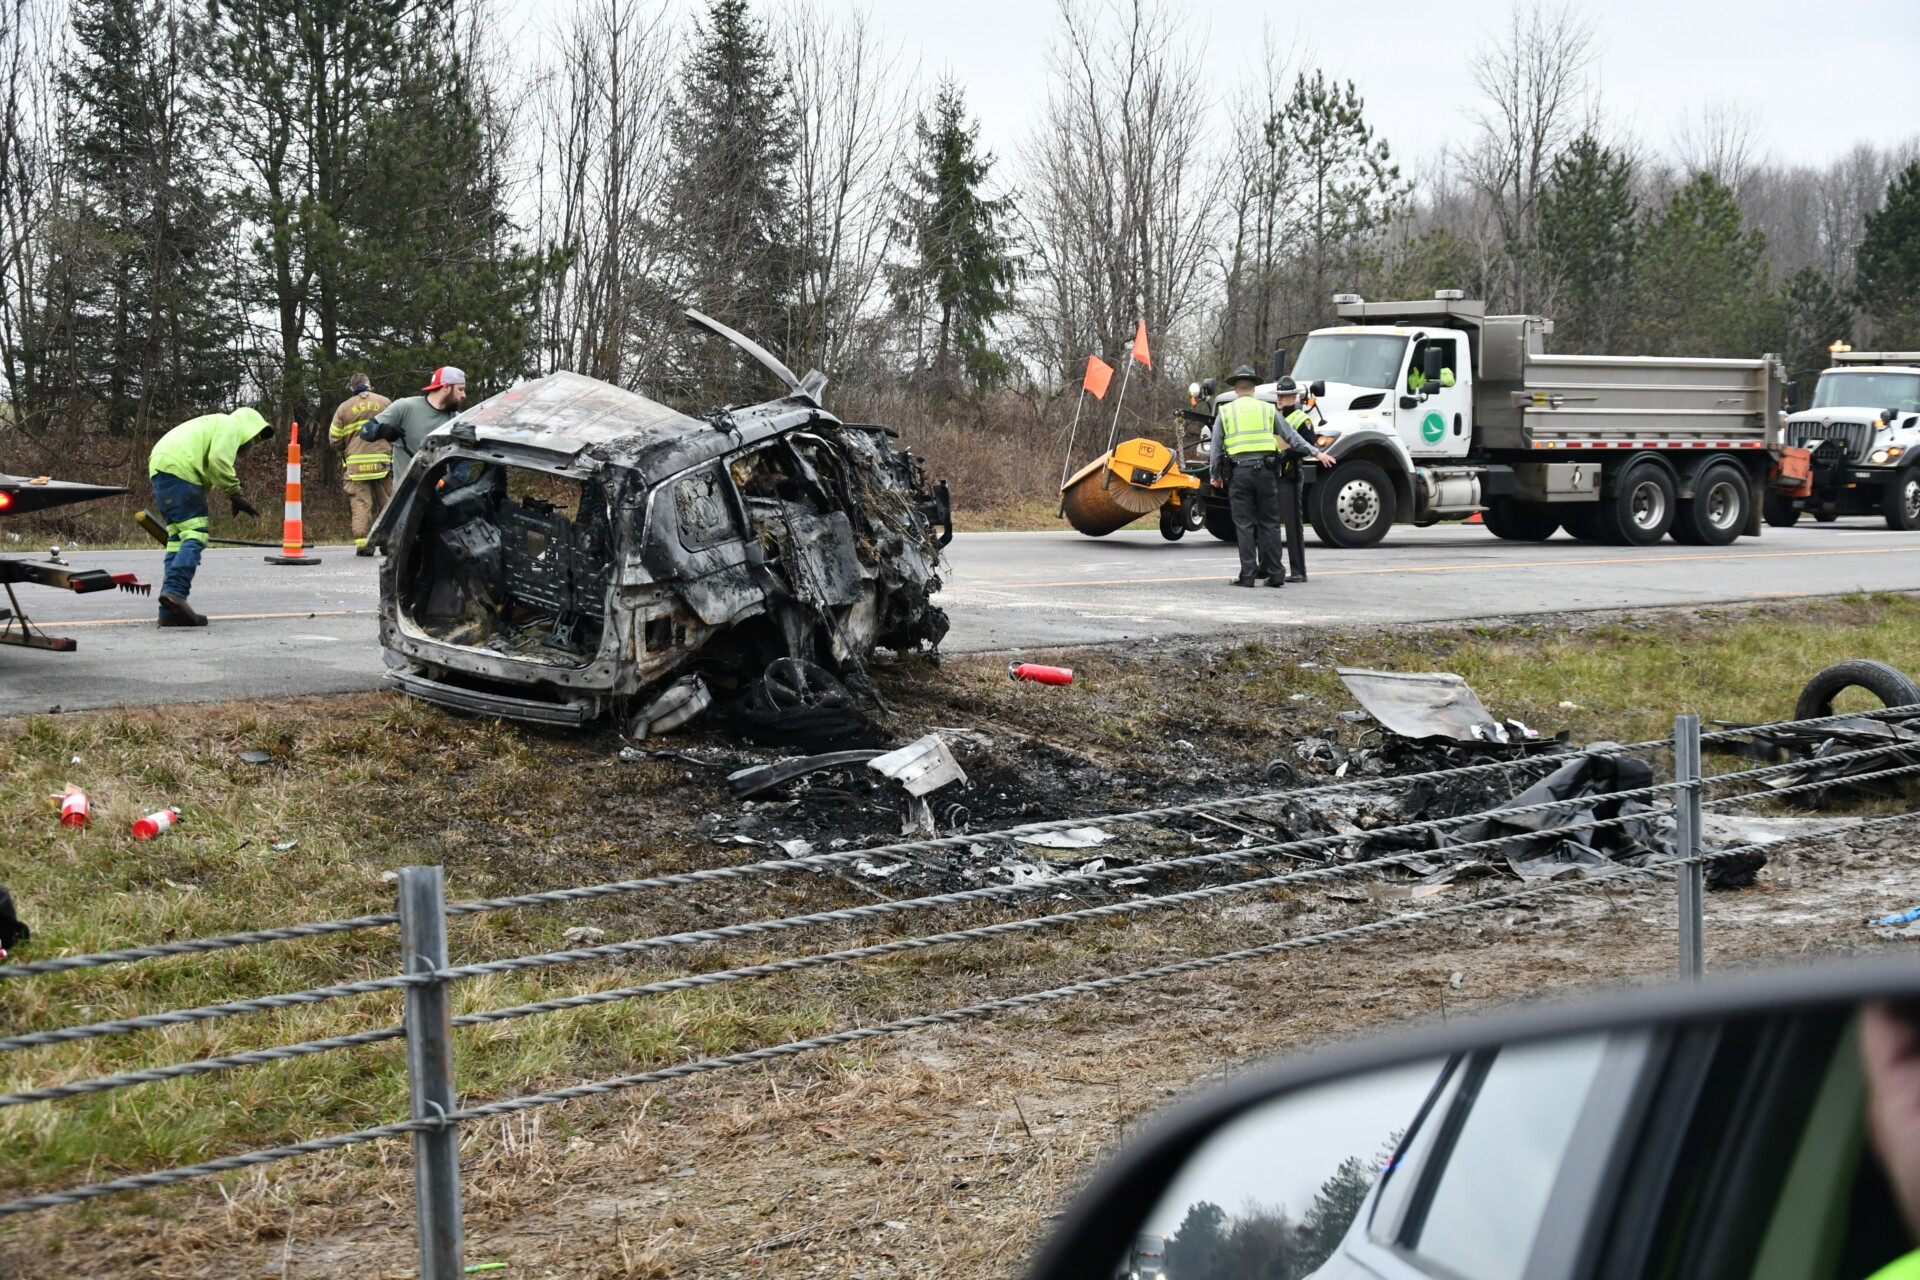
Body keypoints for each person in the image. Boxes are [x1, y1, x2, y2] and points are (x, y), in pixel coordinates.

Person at [146, 407, 273, 626]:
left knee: (177, 540)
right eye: (256, 437)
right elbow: (218, 461)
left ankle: (169, 612)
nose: (255, 443)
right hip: (180, 470)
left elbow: (209, 463)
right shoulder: (232, 424)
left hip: (160, 469)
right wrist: (235, 493)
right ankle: (175, 592)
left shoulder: (212, 424)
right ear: (250, 426)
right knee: (196, 535)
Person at [1208, 367, 1334, 587]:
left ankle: (1248, 575)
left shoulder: (1226, 412)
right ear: (1254, 389)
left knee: (1245, 524)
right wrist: (1317, 452)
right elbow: (1292, 437)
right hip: (1266, 473)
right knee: (1270, 523)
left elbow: (1216, 448)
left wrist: (1215, 474)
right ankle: (1276, 574)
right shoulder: (1267, 410)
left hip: (1240, 473)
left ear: (1236, 388)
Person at [360, 366, 468, 482]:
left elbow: (462, 460)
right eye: (460, 389)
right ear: (446, 387)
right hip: (406, 497)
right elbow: (365, 431)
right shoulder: (405, 407)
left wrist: (457, 480)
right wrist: (382, 430)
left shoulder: (457, 420)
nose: (464, 395)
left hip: (442, 497)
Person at [328, 371, 393, 556]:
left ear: (351, 388)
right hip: (382, 464)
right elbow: (397, 427)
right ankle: (389, 543)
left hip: (355, 467)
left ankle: (364, 545)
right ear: (369, 384)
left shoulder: (343, 408)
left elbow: (334, 440)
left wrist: (345, 451)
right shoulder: (384, 402)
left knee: (361, 505)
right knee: (388, 504)